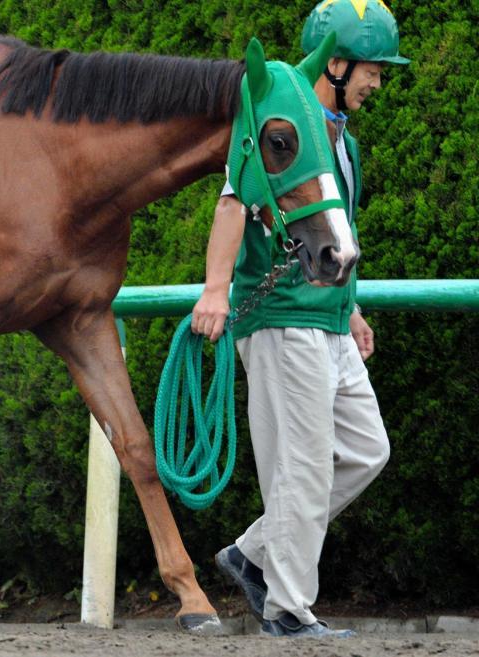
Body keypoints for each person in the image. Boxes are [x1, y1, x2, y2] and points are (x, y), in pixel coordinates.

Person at [191, 0, 410, 638]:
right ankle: (288, 610)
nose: (377, 82)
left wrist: (353, 306)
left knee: (368, 449)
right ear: (336, 63)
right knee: (305, 465)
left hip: (329, 319)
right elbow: (233, 203)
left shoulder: (344, 143)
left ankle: (252, 554)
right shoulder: (279, 124)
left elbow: (331, 235)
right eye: (372, 68)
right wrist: (215, 288)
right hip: (283, 318)